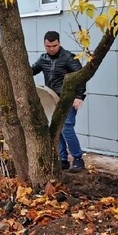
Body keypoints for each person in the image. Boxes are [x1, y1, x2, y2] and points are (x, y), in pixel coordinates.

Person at [31, 31, 87, 173]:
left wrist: (79, 96)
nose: (51, 49)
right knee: (56, 129)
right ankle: (63, 160)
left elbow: (80, 77)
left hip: (67, 99)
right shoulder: (43, 59)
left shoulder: (69, 58)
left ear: (59, 43)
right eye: (48, 46)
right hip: (51, 98)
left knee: (66, 127)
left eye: (54, 45)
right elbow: (30, 71)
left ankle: (78, 159)